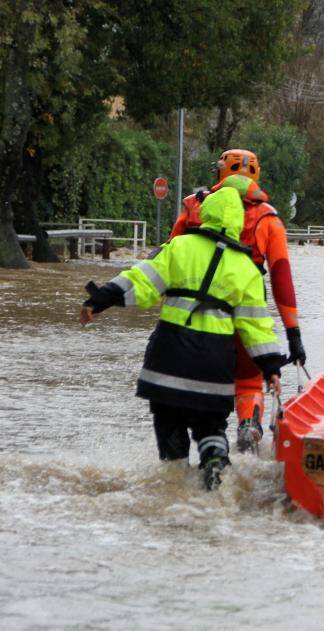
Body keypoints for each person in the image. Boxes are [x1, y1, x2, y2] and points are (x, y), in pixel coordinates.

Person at [80, 187, 286, 489]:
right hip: (214, 370)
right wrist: (271, 368)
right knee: (211, 428)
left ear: (206, 214)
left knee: (172, 447)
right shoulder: (248, 270)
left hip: (167, 363)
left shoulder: (179, 247)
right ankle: (214, 464)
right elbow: (256, 327)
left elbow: (141, 282)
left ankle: (174, 490)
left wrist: (99, 300)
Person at [170, 149, 304, 451]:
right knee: (248, 380)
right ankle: (248, 424)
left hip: (195, 317)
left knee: (188, 380)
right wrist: (293, 334)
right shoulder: (269, 218)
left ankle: (190, 439)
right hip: (247, 314)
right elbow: (282, 279)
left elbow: (169, 257)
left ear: (220, 173)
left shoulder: (194, 207)